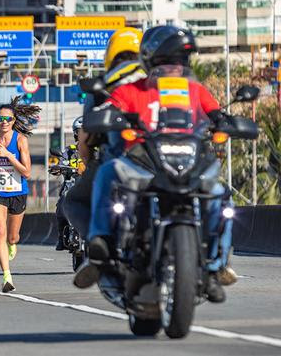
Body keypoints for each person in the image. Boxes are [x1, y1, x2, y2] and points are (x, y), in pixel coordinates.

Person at [73, 26, 231, 303]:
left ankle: (216, 267)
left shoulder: (196, 91)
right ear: (149, 62)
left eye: (180, 62)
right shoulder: (131, 90)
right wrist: (103, 117)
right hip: (145, 163)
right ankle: (100, 241)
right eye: (165, 63)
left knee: (220, 194)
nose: (173, 68)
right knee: (107, 172)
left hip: (188, 161)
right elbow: (106, 111)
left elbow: (217, 115)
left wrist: (229, 123)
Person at [62, 27, 145, 245]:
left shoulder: (102, 87)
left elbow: (86, 138)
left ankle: (98, 243)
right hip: (166, 160)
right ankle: (215, 260)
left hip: (119, 161)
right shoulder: (159, 82)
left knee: (73, 201)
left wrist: (89, 163)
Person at [0, 96, 40, 293]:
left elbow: (27, 172)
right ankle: (7, 276)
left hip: (17, 192)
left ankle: (13, 244)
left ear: (14, 121)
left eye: (8, 119)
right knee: (0, 231)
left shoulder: (20, 140)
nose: (4, 122)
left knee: (12, 237)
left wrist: (9, 156)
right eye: (0, 119)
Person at [54, 118, 83, 251]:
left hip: (90, 187)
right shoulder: (69, 151)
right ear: (75, 134)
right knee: (61, 205)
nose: (83, 134)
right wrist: (57, 168)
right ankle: (61, 237)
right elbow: (60, 163)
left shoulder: (97, 151)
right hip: (71, 187)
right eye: (80, 132)